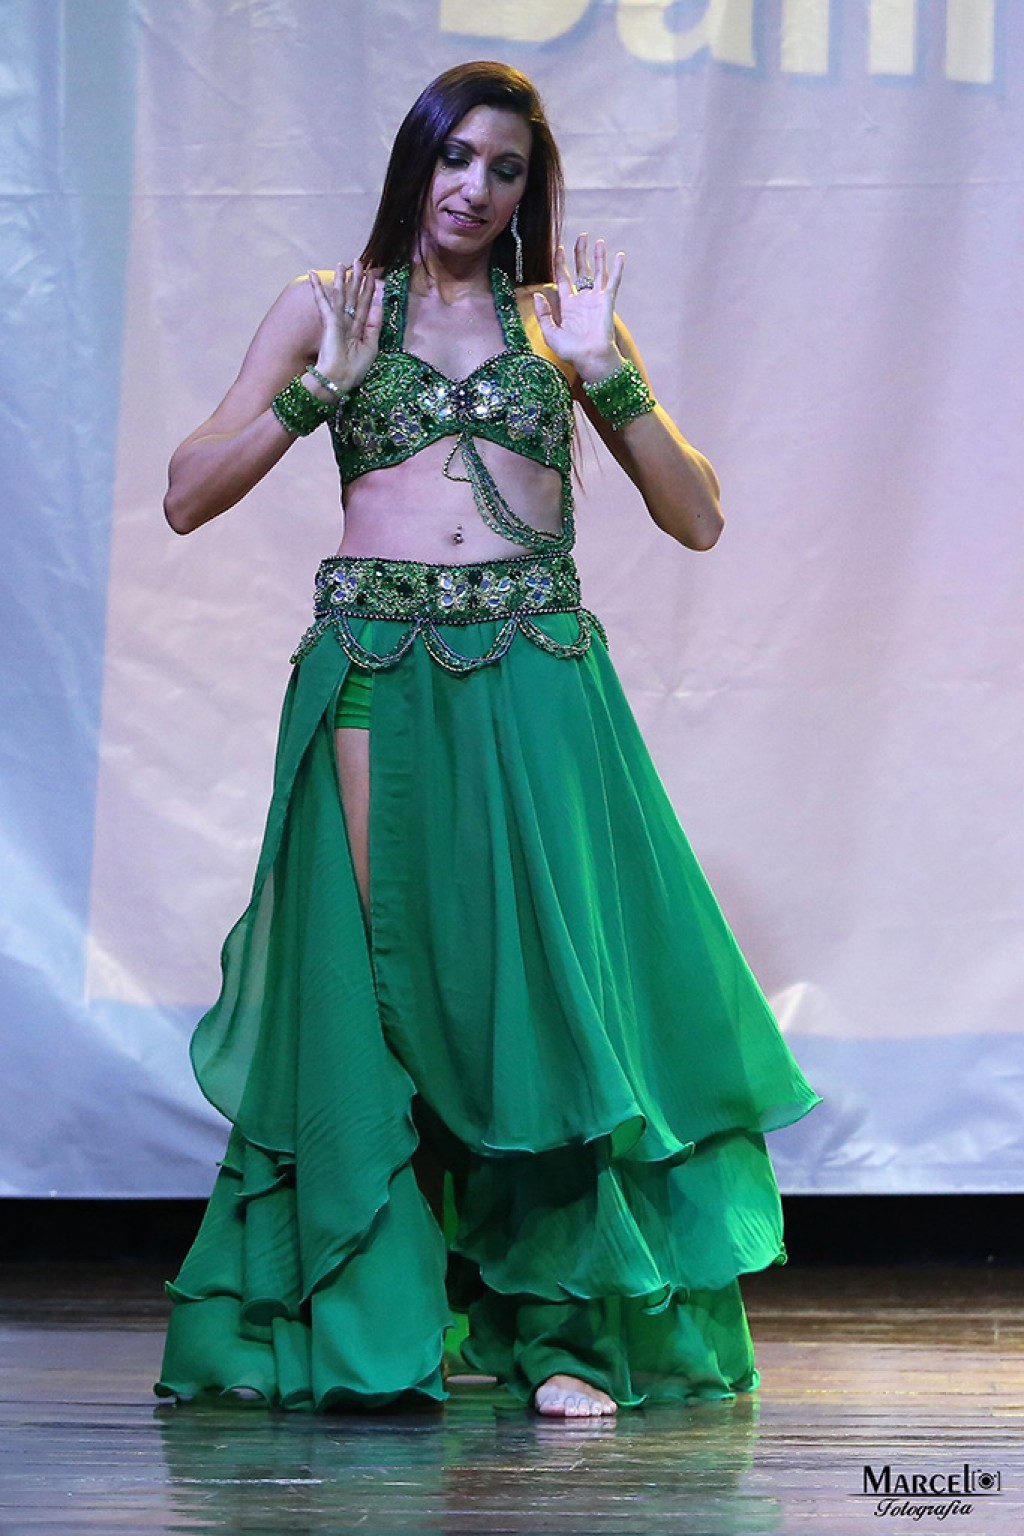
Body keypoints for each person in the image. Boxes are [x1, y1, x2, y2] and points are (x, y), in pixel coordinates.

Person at [155, 60, 820, 1420]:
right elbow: (185, 495)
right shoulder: (328, 306)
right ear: (417, 162)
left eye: (504, 168)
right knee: (385, 983)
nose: (474, 188)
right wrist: (316, 394)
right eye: (455, 157)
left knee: (539, 990)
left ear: (531, 187)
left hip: (536, 666)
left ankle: (561, 1331)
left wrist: (605, 377)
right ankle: (377, 1318)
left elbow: (697, 517)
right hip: (376, 664)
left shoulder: (557, 322)